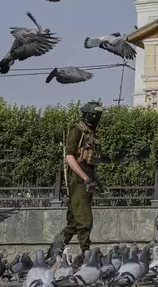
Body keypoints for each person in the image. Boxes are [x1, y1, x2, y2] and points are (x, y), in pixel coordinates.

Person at [48, 101, 103, 258]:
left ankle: (52, 253)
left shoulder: (92, 132)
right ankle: (87, 256)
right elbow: (70, 157)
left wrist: (97, 181)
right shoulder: (76, 130)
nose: (97, 118)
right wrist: (85, 178)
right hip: (78, 181)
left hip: (87, 180)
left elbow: (89, 163)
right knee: (85, 220)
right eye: (95, 115)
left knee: (73, 223)